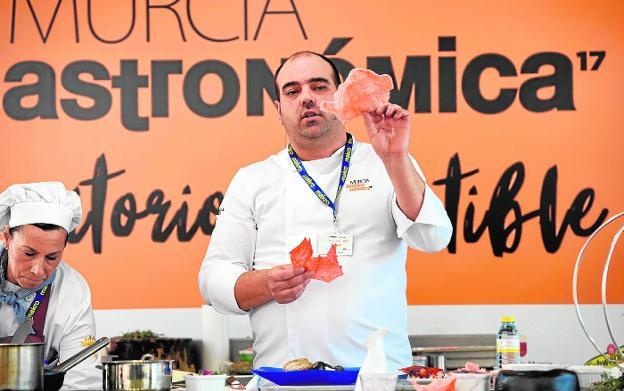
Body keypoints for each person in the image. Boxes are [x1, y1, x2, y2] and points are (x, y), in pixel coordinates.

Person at [198, 51, 453, 371]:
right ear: (278, 110)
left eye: (319, 87)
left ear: (341, 97)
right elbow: (212, 280)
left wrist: (396, 159)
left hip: (375, 379)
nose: (306, 98)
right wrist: (266, 285)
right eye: (292, 91)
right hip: (285, 379)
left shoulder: (385, 162)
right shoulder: (253, 180)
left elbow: (433, 237)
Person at [0, 182, 100, 389]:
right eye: (29, 253)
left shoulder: (72, 291)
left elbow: (82, 380)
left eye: (52, 257)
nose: (38, 270)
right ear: (7, 237)